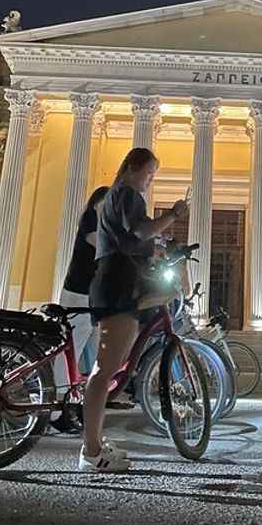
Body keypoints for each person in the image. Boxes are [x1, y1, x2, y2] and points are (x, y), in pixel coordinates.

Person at [80, 148, 189, 472]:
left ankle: (95, 442)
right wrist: (173, 214)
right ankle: (91, 452)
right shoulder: (127, 193)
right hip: (118, 286)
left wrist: (155, 248)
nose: (150, 180)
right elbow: (141, 230)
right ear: (131, 167)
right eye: (149, 173)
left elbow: (131, 240)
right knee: (103, 373)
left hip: (118, 282)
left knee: (110, 370)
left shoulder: (119, 197)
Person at [50, 186, 109, 432]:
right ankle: (56, 412)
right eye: (108, 203)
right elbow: (101, 247)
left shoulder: (101, 222)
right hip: (78, 295)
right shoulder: (90, 219)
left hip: (90, 297)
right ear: (97, 202)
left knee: (93, 354)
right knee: (69, 354)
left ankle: (83, 404)